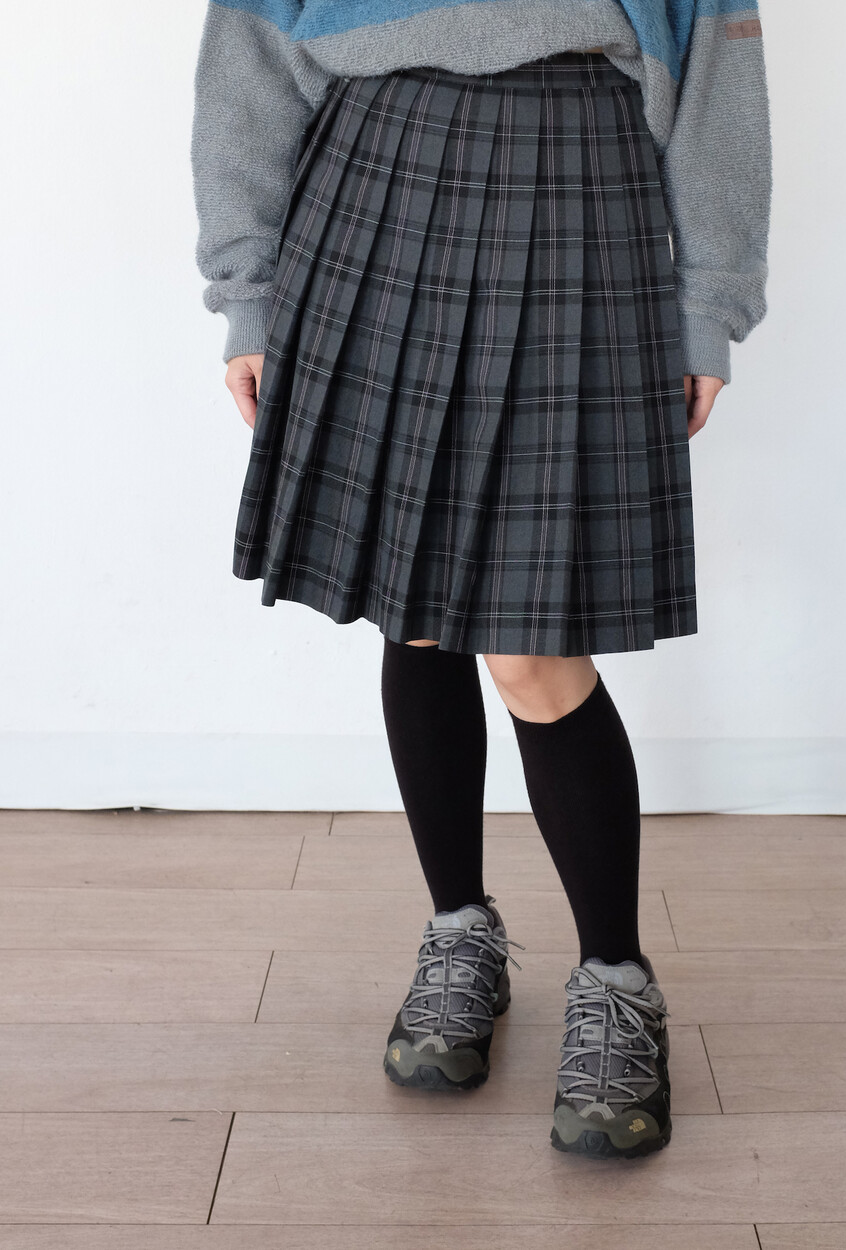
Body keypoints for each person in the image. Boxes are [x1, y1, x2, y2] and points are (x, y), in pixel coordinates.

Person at [190, 0, 772, 1160]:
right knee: (413, 615)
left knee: (533, 644)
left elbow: (717, 62)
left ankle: (615, 978)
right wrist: (247, 287)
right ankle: (459, 931)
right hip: (371, 182)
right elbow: (247, 50)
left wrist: (710, 300)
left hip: (581, 184)